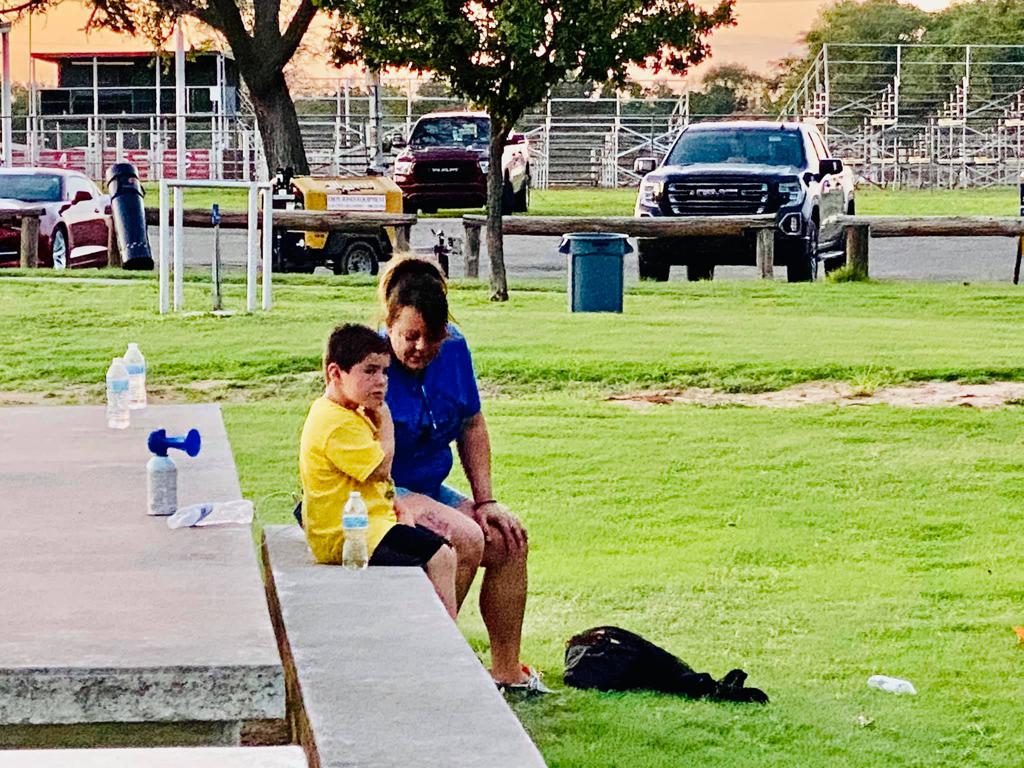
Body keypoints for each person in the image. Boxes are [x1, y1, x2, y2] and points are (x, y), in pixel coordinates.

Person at [379, 257, 549, 693]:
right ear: (389, 324)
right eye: (410, 336)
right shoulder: (370, 363)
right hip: (382, 492)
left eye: (432, 337)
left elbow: (472, 424)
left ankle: (507, 674)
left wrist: (486, 500)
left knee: (508, 540)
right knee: (465, 537)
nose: (422, 347)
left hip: (430, 487)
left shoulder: (455, 349)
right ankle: (433, 666)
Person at [299, 322, 457, 618]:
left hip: (369, 524)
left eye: (384, 371)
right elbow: (380, 469)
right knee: (441, 556)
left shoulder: (350, 411)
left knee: (437, 544)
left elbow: (377, 486)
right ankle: (446, 637)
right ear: (335, 373)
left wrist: (398, 508)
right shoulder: (336, 423)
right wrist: (386, 423)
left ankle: (430, 625)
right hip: (348, 536)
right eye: (369, 371)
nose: (381, 381)